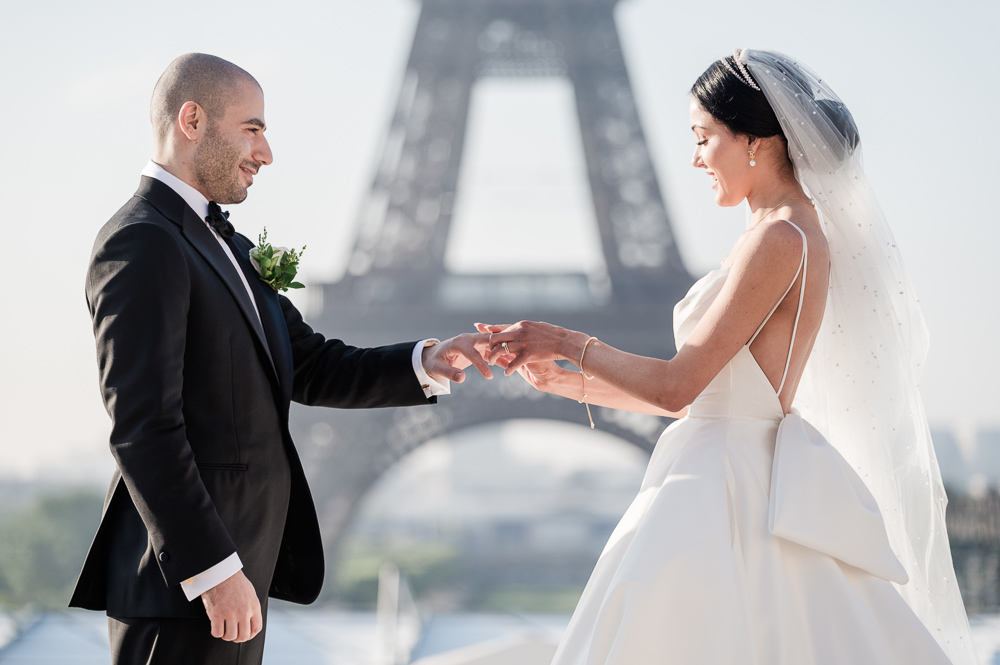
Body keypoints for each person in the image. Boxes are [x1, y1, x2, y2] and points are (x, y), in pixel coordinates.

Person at [481, 49, 976, 664]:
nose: (695, 158)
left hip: (720, 486)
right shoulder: (781, 230)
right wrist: (566, 382)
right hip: (730, 465)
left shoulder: (780, 236)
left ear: (756, 139)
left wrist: (568, 343)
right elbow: (706, 397)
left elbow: (677, 388)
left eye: (704, 137)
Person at [69, 53, 492, 665]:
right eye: (253, 128)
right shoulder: (142, 240)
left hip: (236, 575)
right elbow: (143, 428)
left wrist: (428, 360)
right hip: (190, 585)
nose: (266, 153)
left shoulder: (223, 243)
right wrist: (213, 572)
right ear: (192, 119)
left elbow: (311, 364)